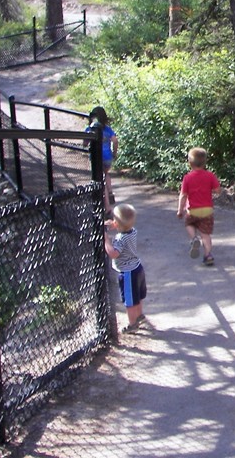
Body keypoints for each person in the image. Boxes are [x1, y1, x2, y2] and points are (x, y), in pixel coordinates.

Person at [104, 203, 147, 333]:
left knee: (129, 301)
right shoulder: (132, 231)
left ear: (118, 224)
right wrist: (116, 224)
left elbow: (113, 254)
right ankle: (140, 315)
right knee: (138, 296)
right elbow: (125, 225)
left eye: (115, 220)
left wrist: (106, 240)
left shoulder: (120, 239)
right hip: (138, 268)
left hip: (128, 273)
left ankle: (132, 323)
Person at [176, 147, 221, 266]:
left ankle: (194, 239)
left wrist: (180, 210)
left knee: (189, 224)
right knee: (205, 234)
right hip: (207, 210)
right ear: (204, 162)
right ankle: (208, 255)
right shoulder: (210, 175)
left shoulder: (188, 178)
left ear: (190, 163)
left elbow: (183, 195)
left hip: (193, 210)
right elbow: (217, 190)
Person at [84, 106, 118, 211]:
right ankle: (110, 191)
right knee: (106, 174)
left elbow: (85, 143)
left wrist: (86, 142)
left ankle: (107, 208)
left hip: (97, 158)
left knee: (100, 180)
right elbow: (115, 141)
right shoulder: (108, 129)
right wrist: (114, 153)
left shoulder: (89, 129)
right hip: (108, 157)